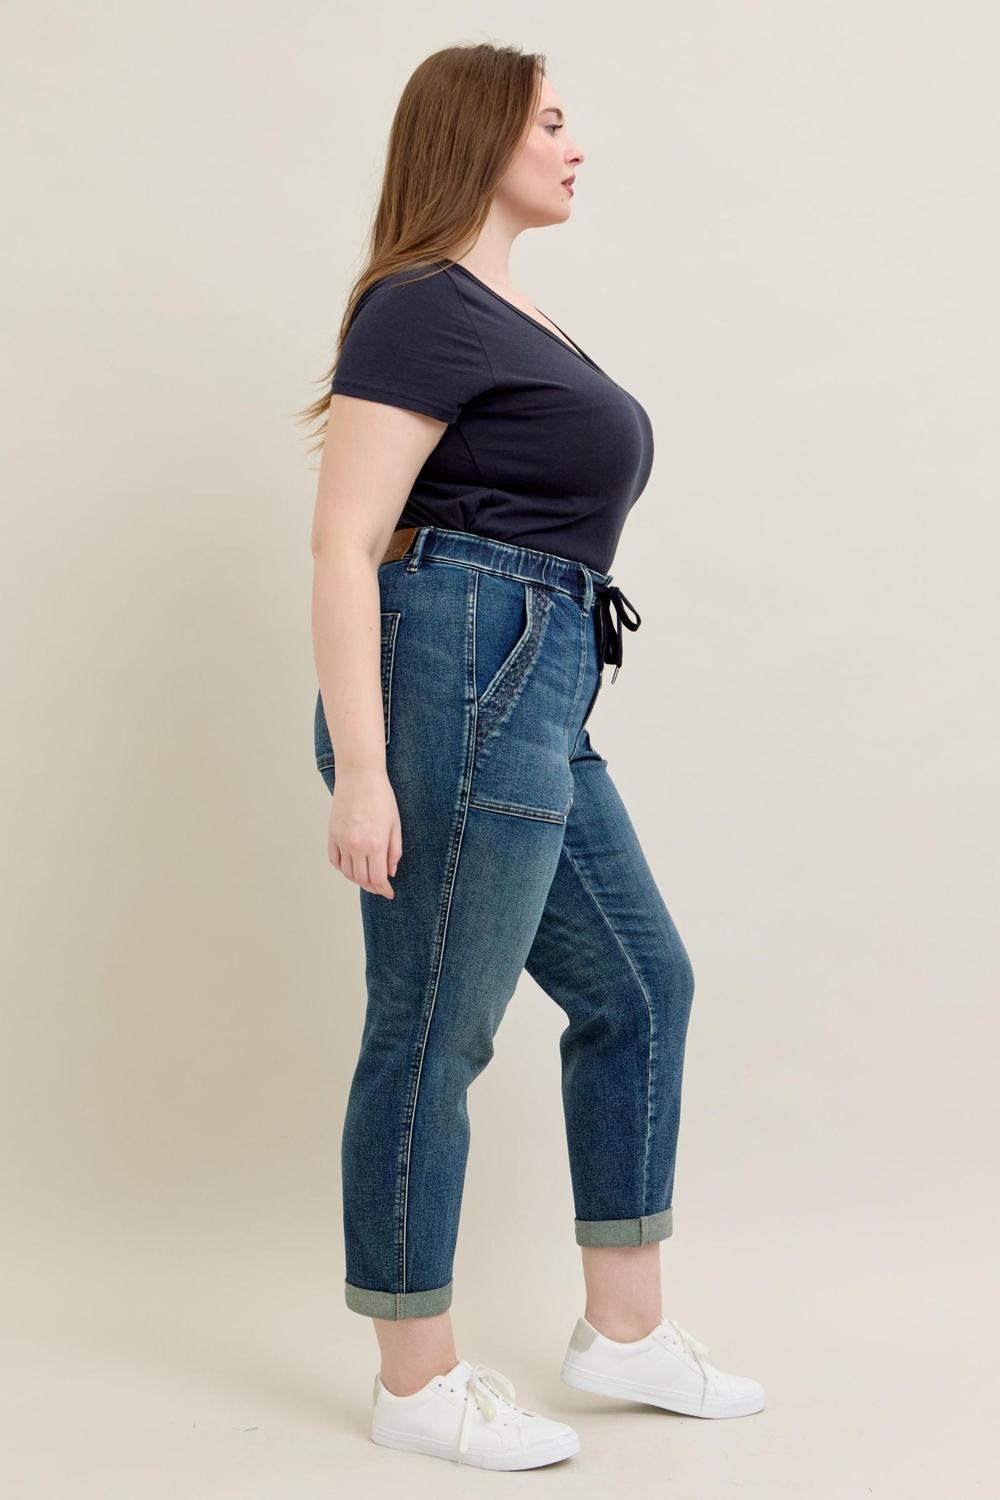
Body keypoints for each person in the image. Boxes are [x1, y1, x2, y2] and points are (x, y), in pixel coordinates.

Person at [302, 43, 765, 1470]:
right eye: (551, 120)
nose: (575, 145)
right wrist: (365, 767)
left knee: (639, 985)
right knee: (434, 1028)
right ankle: (415, 1379)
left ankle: (623, 1334)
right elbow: (344, 541)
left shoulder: (513, 313)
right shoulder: (419, 306)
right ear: (481, 134)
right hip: (455, 668)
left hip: (538, 672)